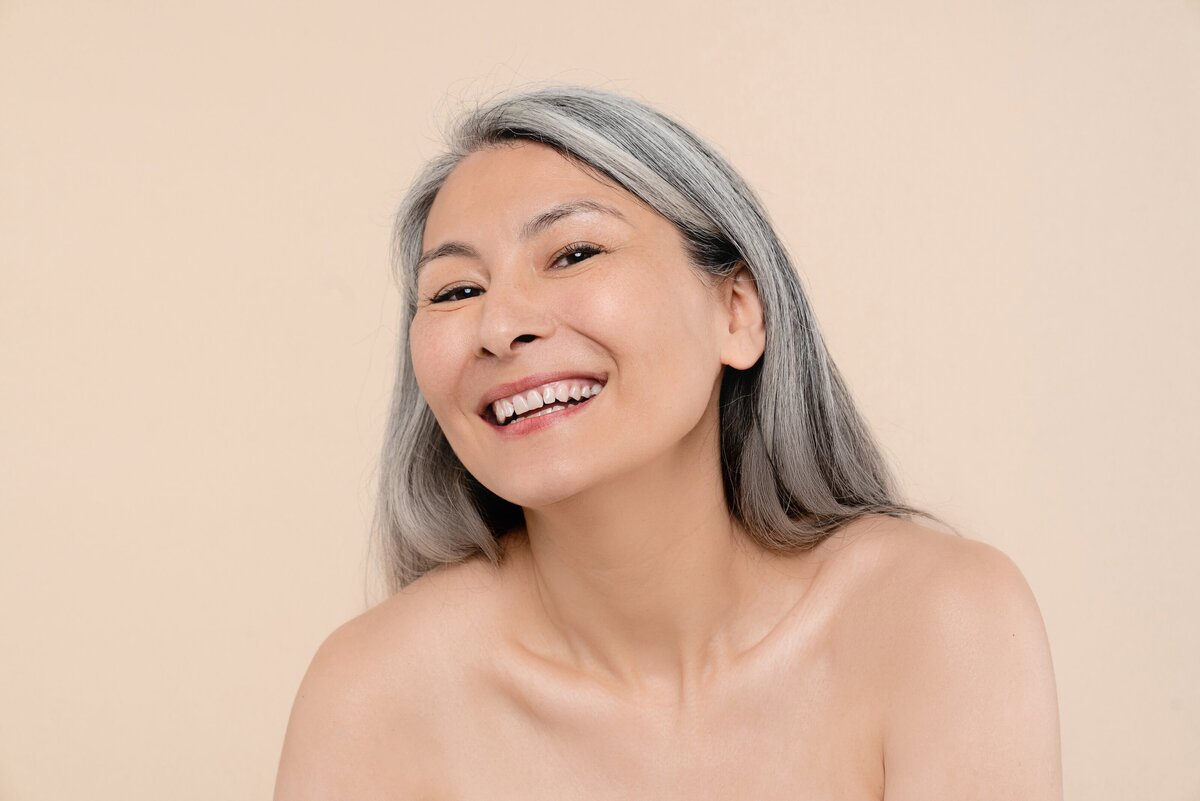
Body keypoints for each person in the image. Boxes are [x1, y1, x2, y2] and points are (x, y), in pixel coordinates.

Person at [273, 84, 1062, 800]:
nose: (501, 324)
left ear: (737, 312)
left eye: (574, 253)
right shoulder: (373, 695)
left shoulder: (938, 623)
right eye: (455, 290)